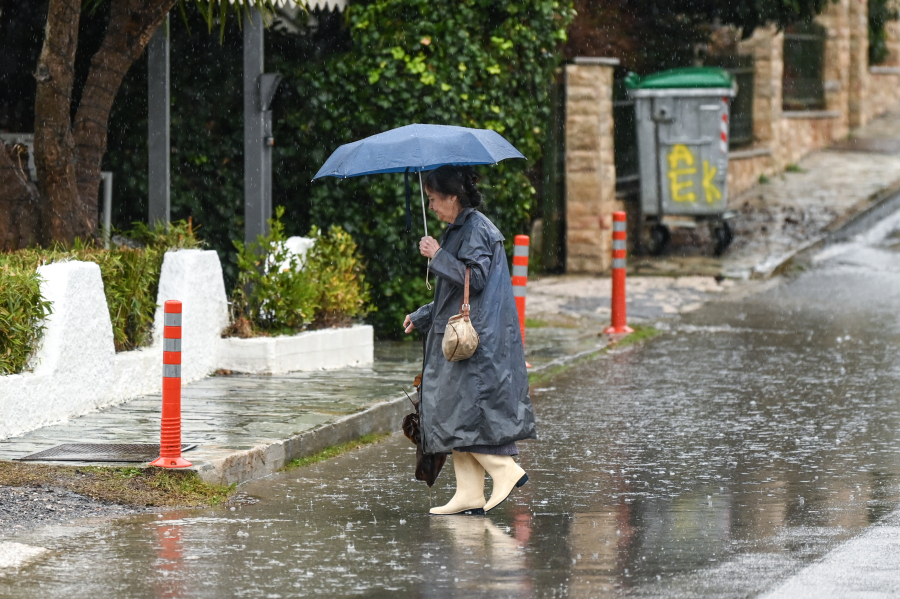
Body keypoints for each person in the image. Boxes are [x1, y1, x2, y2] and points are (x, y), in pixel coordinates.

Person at [403, 164, 536, 515]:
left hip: (478, 342)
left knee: (456, 413)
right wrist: (420, 316)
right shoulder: (458, 228)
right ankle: (469, 493)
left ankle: (505, 471)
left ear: (452, 196)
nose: (431, 206)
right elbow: (453, 296)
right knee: (457, 413)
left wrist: (438, 256)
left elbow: (474, 280)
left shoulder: (477, 229)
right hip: (468, 335)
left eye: (434, 199)